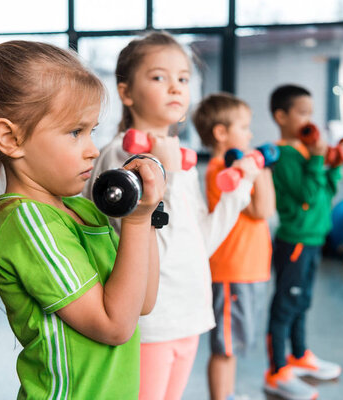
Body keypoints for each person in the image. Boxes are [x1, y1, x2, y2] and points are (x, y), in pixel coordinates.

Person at [0, 40, 165, 400]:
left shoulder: (82, 210)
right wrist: (137, 222)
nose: (93, 149)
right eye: (74, 132)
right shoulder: (28, 225)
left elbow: (142, 301)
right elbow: (115, 326)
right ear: (10, 138)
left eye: (92, 131)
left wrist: (143, 213)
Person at [83, 32, 259, 400]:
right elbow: (144, 239)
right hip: (151, 318)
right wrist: (167, 171)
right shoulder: (119, 158)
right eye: (159, 77)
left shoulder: (183, 161)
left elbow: (199, 242)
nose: (175, 87)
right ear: (127, 93)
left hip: (189, 311)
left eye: (183, 79)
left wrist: (237, 193)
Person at [264, 84, 343, 400]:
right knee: (286, 305)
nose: (307, 120)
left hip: (315, 239)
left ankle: (299, 355)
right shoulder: (284, 155)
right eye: (301, 113)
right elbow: (306, 194)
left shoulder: (305, 151)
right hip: (296, 241)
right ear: (281, 116)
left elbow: (326, 193)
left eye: (310, 114)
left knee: (303, 302)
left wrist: (336, 163)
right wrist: (317, 161)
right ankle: (276, 372)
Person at [192, 93, 275, 400]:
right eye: (244, 126)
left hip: (249, 269)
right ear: (221, 133)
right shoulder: (221, 171)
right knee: (224, 347)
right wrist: (260, 168)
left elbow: (265, 209)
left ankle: (228, 393)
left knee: (234, 345)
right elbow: (262, 210)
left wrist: (256, 167)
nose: (250, 134)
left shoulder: (239, 170)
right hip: (232, 271)